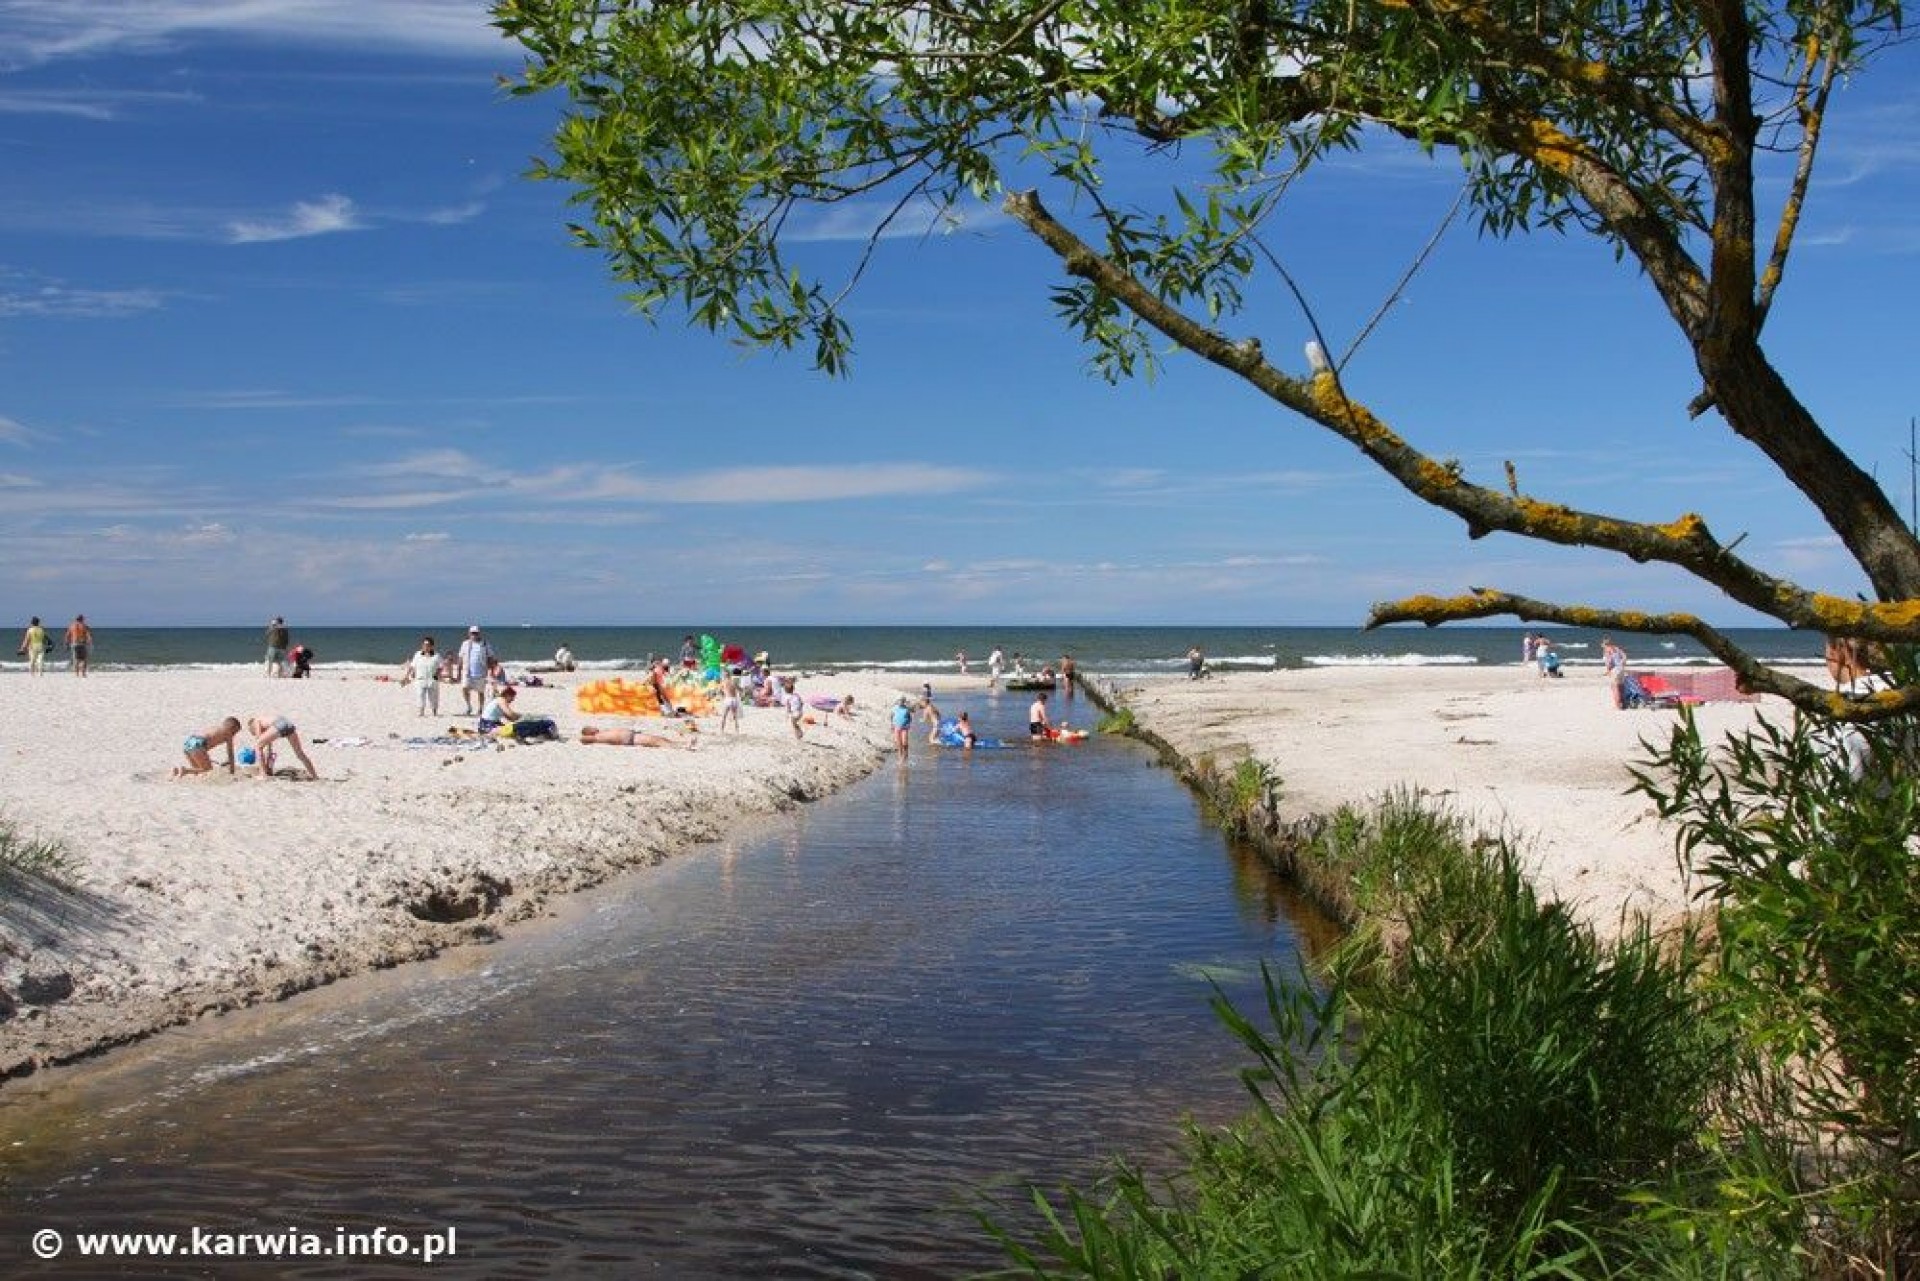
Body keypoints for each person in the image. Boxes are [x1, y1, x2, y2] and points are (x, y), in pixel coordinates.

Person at [246, 714, 320, 780]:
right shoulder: (267, 724)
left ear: (251, 727)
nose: (254, 734)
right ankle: (314, 776)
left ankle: (262, 775)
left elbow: (258, 740)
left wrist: (253, 750)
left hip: (279, 723)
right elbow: (269, 748)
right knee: (300, 753)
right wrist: (268, 767)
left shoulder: (256, 721)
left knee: (257, 746)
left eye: (252, 732)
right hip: (288, 723)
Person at [173, 716, 244, 778]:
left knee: (198, 770)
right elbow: (230, 754)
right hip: (198, 745)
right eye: (235, 732)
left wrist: (226, 761)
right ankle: (185, 770)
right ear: (232, 728)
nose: (234, 735)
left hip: (189, 742)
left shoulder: (215, 728)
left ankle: (176, 771)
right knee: (208, 769)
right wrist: (232, 773)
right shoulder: (228, 733)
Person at [478, 686, 558, 741]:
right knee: (520, 727)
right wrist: (525, 717)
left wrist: (524, 717)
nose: (512, 700)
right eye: (512, 697)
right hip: (488, 726)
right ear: (508, 695)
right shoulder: (501, 700)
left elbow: (510, 718)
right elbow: (511, 715)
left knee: (519, 727)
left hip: (486, 726)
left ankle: (544, 729)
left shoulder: (499, 701)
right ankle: (546, 727)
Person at [457, 625, 495, 716]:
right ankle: (469, 706)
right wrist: (458, 671)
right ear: (469, 634)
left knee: (480, 692)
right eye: (472, 633)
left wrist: (491, 671)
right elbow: (460, 657)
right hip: (467, 672)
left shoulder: (485, 644)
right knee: (464, 688)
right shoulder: (465, 644)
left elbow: (490, 657)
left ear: (479, 633)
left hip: (481, 672)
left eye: (476, 633)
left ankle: (480, 708)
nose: (474, 635)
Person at [400, 636, 441, 717]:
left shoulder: (437, 655)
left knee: (433, 698)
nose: (426, 646)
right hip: (420, 679)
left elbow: (441, 666)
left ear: (432, 646)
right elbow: (412, 666)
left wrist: (437, 674)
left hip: (432, 680)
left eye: (428, 645)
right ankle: (421, 712)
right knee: (420, 696)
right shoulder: (417, 654)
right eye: (424, 645)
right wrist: (406, 676)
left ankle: (434, 712)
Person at [578, 725, 694, 749]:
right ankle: (682, 747)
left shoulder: (601, 733)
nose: (595, 727)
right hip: (631, 739)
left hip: (632, 735)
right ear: (589, 732)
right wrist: (586, 736)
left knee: (659, 738)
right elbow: (582, 739)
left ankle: (682, 743)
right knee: (656, 741)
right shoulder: (596, 737)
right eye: (591, 728)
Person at [1601, 636, 1628, 709]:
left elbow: (1609, 662)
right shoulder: (1616, 648)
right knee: (1621, 687)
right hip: (1621, 669)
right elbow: (1624, 656)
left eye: (1602, 643)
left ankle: (1618, 705)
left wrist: (1608, 671)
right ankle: (1624, 704)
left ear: (1604, 644)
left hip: (1615, 670)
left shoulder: (1607, 650)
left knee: (1614, 687)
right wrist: (1622, 664)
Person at [717, 668, 743, 733]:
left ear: (724, 675)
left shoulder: (723, 682)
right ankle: (737, 731)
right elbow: (740, 690)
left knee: (724, 716)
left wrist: (722, 696)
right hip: (734, 700)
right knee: (735, 717)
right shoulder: (733, 681)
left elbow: (719, 692)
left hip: (728, 699)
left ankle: (721, 730)